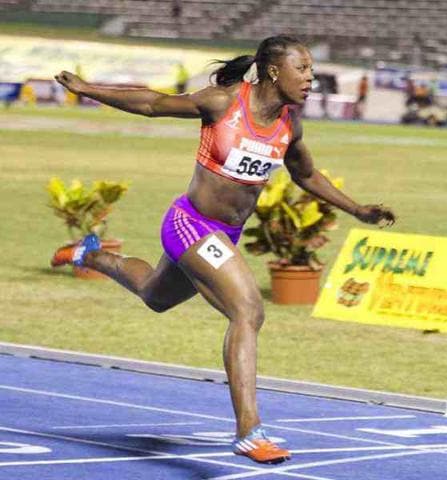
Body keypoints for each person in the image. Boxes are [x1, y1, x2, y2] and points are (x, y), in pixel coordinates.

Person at [51, 35, 396, 465]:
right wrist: (88, 89)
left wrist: (357, 208)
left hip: (223, 236)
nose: (310, 79)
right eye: (302, 69)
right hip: (190, 224)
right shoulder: (222, 102)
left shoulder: (290, 124)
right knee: (248, 310)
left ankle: (90, 255)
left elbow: (305, 173)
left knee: (155, 295)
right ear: (274, 71)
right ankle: (249, 431)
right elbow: (152, 103)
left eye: (310, 70)